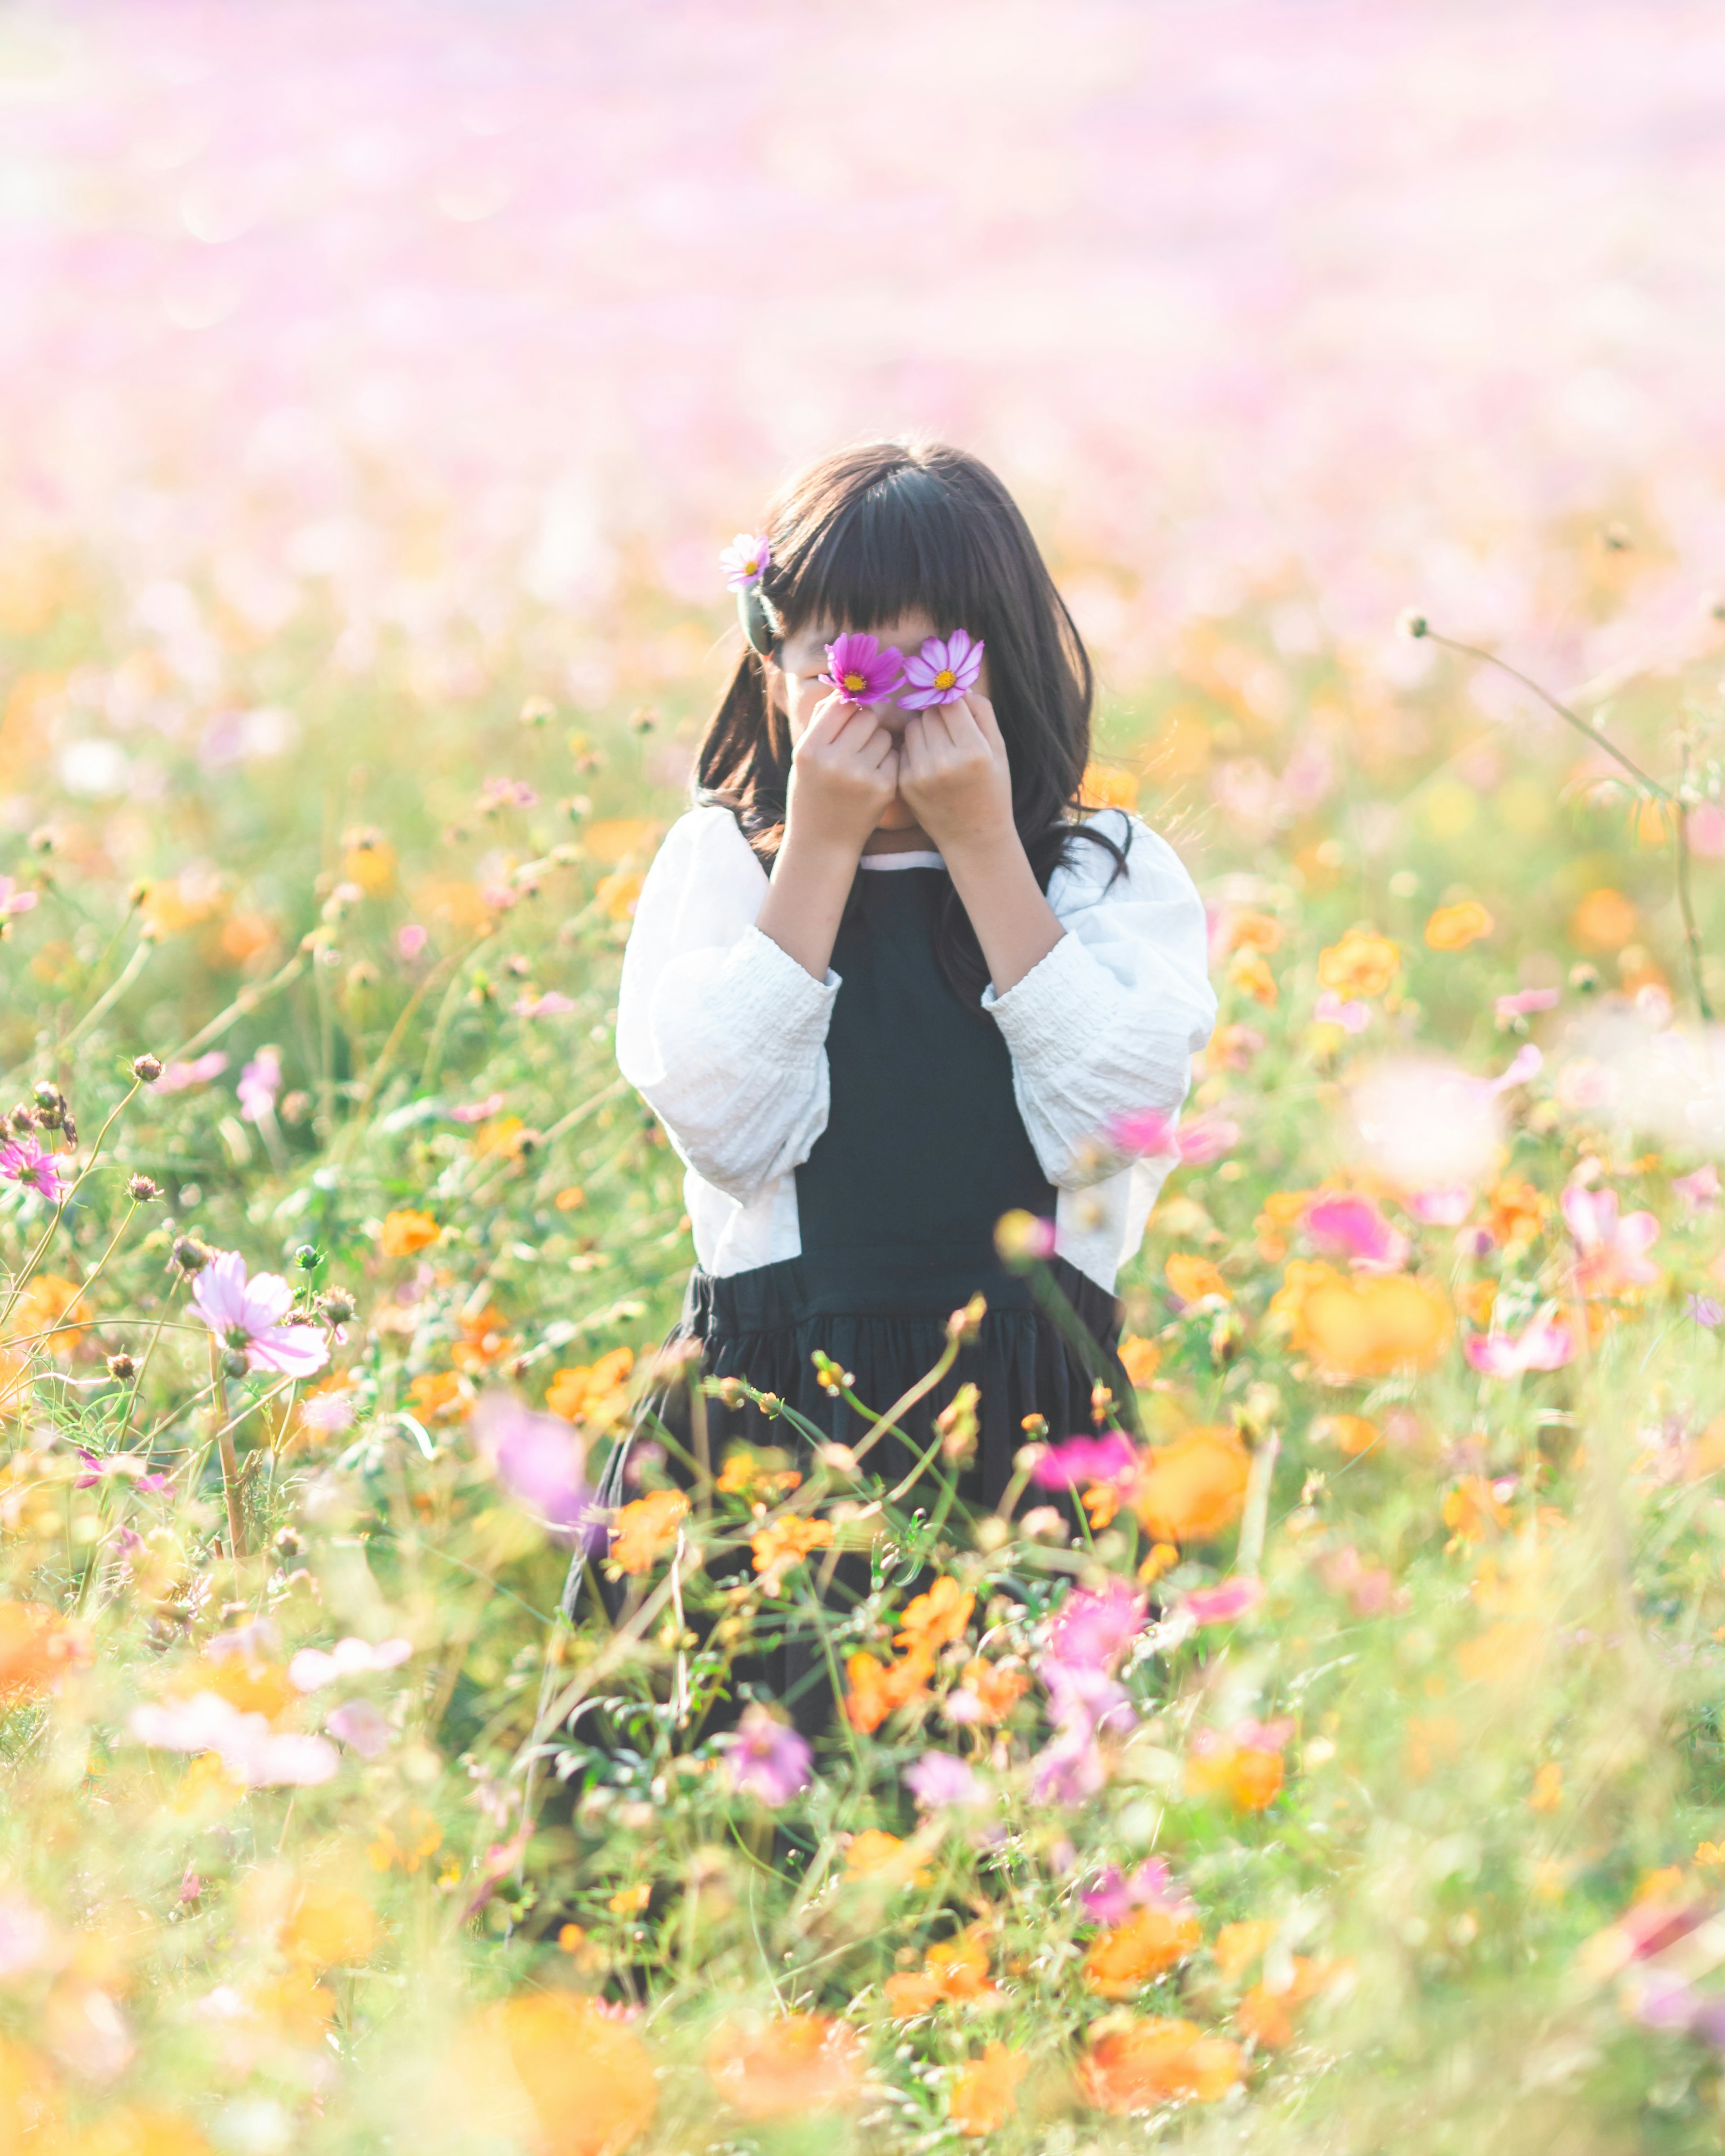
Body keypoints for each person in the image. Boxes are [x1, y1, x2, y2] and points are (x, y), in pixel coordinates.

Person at [562, 438, 1216, 1731]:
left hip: (1032, 1413)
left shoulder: (1100, 875)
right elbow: (729, 1129)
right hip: (774, 1409)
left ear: (1001, 669)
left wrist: (983, 847)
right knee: (739, 1812)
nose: (888, 712)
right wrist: (820, 844)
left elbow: (1112, 1125)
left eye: (929, 674)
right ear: (777, 669)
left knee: (1030, 1826)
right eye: (842, 673)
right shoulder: (726, 868)